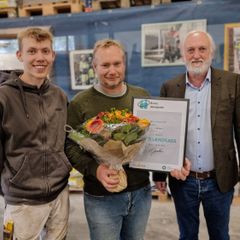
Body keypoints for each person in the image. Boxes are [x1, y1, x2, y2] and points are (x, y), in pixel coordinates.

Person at [65, 38, 190, 240]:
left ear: (124, 64)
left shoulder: (141, 97)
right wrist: (95, 169)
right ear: (94, 67)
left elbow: (156, 138)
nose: (112, 70)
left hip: (140, 193)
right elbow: (69, 145)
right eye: (105, 65)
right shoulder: (81, 103)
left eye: (117, 64)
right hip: (100, 197)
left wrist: (172, 160)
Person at [153, 30, 240, 240]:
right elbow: (163, 134)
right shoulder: (170, 87)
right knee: (187, 235)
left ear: (211, 52)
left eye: (202, 49)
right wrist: (159, 175)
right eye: (190, 50)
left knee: (220, 235)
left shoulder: (232, 82)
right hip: (183, 182)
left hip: (219, 180)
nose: (196, 55)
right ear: (182, 54)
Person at [0, 27, 72, 239]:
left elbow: (66, 140)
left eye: (45, 51)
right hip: (22, 200)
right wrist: (10, 186)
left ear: (53, 55)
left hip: (60, 192)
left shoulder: (59, 95)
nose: (39, 57)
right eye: (32, 51)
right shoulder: (4, 98)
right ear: (20, 55)